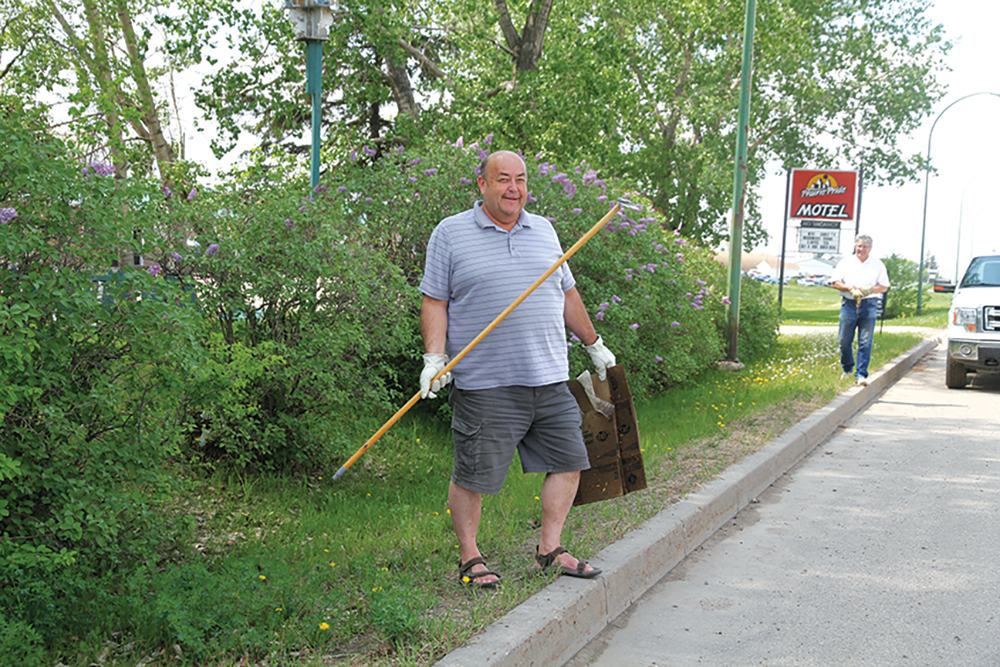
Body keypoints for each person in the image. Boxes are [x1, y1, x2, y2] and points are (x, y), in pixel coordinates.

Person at [418, 150, 616, 588]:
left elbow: (567, 293)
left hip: (548, 376)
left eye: (521, 180)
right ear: (482, 185)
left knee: (570, 461)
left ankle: (551, 547)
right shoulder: (450, 233)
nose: (514, 189)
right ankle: (470, 557)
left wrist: (593, 342)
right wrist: (434, 357)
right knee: (474, 474)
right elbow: (435, 300)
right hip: (486, 381)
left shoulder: (544, 230)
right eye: (503, 179)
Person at [830, 234, 890, 386]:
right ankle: (847, 368)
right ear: (855, 246)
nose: (861, 249)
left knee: (865, 341)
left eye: (865, 247)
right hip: (849, 303)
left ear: (870, 249)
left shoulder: (877, 265)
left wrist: (869, 290)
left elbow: (884, 286)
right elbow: (835, 282)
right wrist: (850, 288)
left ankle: (861, 374)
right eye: (859, 246)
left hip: (869, 304)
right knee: (844, 340)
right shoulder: (846, 262)